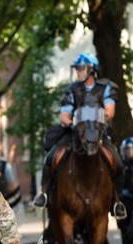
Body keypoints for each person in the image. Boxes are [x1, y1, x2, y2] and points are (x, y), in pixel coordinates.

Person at [33, 53, 126, 219]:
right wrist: (71, 122)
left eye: (80, 68)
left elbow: (110, 112)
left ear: (91, 70)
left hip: (98, 134)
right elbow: (64, 115)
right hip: (75, 134)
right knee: (51, 157)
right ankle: (45, 194)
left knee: (117, 162)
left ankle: (117, 202)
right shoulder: (72, 89)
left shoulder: (106, 88)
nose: (78, 72)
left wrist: (97, 121)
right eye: (76, 69)